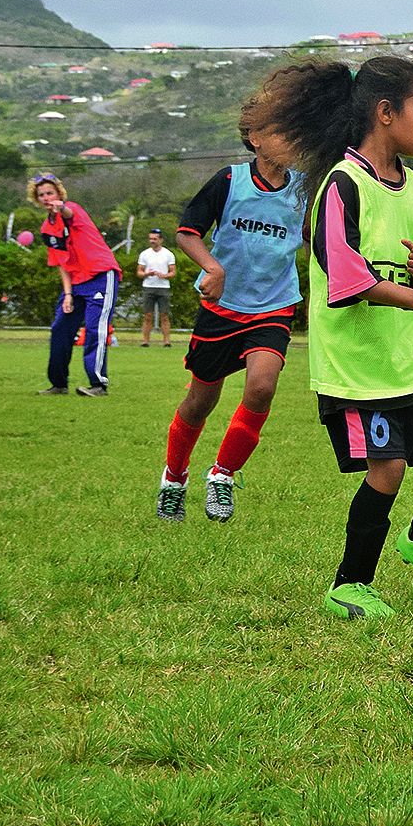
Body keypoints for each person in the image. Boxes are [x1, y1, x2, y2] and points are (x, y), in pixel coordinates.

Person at [247, 55, 413, 621]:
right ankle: (349, 584)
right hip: (359, 363)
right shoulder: (341, 185)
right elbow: (346, 280)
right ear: (385, 112)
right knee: (388, 470)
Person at [157, 118, 306, 523]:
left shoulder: (304, 189)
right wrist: (213, 269)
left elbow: (323, 237)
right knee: (200, 401)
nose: (287, 139)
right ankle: (174, 479)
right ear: (254, 139)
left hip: (274, 306)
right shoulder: (229, 180)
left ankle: (222, 475)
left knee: (261, 387)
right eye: (277, 131)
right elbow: (187, 233)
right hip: (221, 309)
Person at [31, 173, 122, 397]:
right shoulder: (47, 228)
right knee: (60, 328)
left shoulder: (72, 209)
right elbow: (61, 263)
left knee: (95, 329)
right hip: (76, 283)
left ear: (59, 194)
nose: (46, 197)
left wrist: (60, 207)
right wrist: (68, 294)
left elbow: (68, 213)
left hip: (101, 275)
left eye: (50, 193)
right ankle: (58, 384)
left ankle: (98, 384)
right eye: (41, 194)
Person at [135, 228, 177, 347]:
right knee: (148, 315)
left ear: (161, 240)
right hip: (148, 287)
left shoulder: (168, 254)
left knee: (164, 315)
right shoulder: (145, 254)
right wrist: (147, 274)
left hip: (163, 287)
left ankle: (167, 341)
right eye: (151, 239)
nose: (152, 241)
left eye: (155, 239)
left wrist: (165, 275)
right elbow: (139, 272)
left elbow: (173, 272)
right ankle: (145, 341)